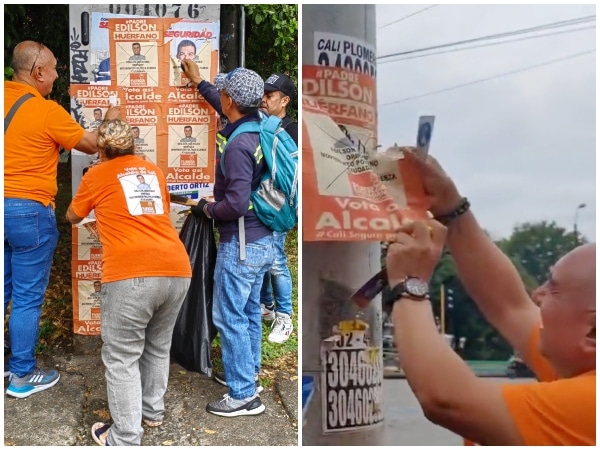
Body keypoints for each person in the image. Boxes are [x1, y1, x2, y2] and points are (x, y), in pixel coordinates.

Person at [383, 149, 595, 445]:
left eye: (554, 289)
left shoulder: (589, 405)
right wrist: (451, 208)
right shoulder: (580, 365)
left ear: (593, 332)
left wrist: (410, 283)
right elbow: (509, 304)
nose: (538, 294)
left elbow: (446, 399)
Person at [4, 40, 120, 398]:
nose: (56, 76)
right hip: (28, 211)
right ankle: (21, 374)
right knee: (25, 297)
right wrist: (112, 118)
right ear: (38, 72)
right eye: (53, 69)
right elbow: (92, 143)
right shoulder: (46, 110)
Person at [66, 119, 192, 446]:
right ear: (133, 146)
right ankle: (152, 411)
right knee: (157, 345)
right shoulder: (153, 172)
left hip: (131, 273)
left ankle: (124, 437)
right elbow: (156, 214)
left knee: (122, 357)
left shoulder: (96, 174)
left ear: (102, 150)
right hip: (177, 268)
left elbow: (72, 215)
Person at [182, 63, 274, 417]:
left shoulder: (237, 147)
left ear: (232, 99)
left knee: (229, 315)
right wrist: (200, 83)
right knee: (249, 310)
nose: (220, 95)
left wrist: (206, 208)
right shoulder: (258, 127)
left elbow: (234, 204)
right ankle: (248, 375)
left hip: (242, 244)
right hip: (263, 239)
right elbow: (221, 104)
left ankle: (243, 396)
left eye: (223, 92)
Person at [258, 72, 297, 343]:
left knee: (276, 262)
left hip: (279, 206)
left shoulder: (289, 130)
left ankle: (285, 317)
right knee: (261, 259)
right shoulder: (263, 123)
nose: (263, 99)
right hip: (261, 202)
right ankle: (268, 307)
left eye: (269, 95)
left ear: (284, 100)